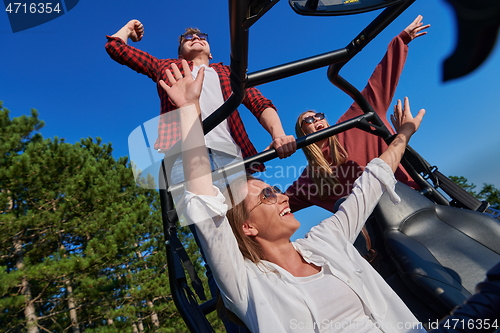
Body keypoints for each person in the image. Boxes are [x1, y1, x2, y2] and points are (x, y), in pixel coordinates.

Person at [161, 59, 426, 332]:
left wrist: (404, 132)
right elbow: (206, 211)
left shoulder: (326, 241)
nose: (284, 197)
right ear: (247, 227)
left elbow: (372, 180)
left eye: (276, 190)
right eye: (267, 195)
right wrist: (189, 109)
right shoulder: (246, 283)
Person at [286, 16, 429, 265]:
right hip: (378, 241)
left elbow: (377, 85)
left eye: (319, 114)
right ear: (302, 134)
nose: (316, 118)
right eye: (308, 120)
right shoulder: (310, 178)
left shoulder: (353, 124)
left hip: (414, 206)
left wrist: (401, 40)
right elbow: (279, 202)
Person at [105, 20, 296, 171]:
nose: (195, 37)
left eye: (201, 36)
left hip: (233, 157)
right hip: (187, 156)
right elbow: (116, 48)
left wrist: (278, 135)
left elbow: (259, 103)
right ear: (180, 53)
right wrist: (129, 28)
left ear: (211, 53)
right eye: (187, 37)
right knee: (208, 219)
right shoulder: (166, 67)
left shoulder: (229, 73)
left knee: (255, 215)